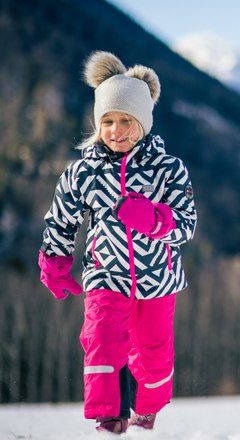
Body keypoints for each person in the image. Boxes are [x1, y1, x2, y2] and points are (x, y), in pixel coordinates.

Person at [38, 51, 197, 433]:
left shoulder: (169, 169)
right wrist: (54, 262)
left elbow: (185, 224)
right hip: (105, 274)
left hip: (158, 279)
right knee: (101, 339)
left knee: (153, 354)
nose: (116, 129)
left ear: (143, 122)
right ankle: (108, 416)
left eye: (126, 120)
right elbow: (61, 219)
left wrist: (150, 217)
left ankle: (146, 407)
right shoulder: (82, 172)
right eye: (107, 121)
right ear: (97, 124)